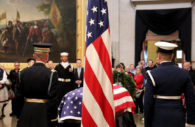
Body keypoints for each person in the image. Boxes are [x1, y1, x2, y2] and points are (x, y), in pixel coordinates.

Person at [144, 41, 195, 127]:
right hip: (177, 118)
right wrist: (191, 122)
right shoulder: (184, 73)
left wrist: (147, 124)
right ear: (172, 56)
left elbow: (147, 103)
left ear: (159, 56)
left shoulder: (152, 74)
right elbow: (191, 100)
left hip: (158, 118)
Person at [16, 43, 59, 127]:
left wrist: (19, 115)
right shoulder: (52, 74)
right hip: (43, 114)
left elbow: (18, 96)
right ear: (47, 57)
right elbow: (53, 99)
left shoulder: (22, 73)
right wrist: (53, 118)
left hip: (26, 112)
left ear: (34, 56)